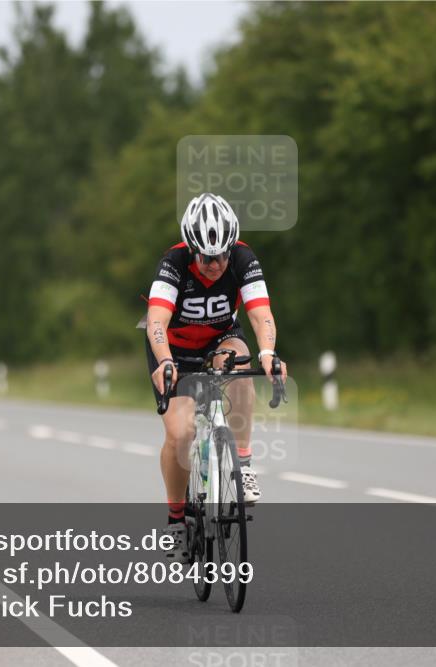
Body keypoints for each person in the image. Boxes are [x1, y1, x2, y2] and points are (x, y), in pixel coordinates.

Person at [144, 192, 287, 564]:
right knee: (180, 433)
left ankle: (243, 461)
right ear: (192, 250)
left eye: (223, 254)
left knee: (241, 361)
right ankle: (177, 519)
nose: (217, 264)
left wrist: (269, 354)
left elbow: (260, 315)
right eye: (208, 257)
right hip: (173, 350)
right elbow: (156, 323)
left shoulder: (243, 258)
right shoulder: (172, 264)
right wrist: (165, 362)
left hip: (220, 339)